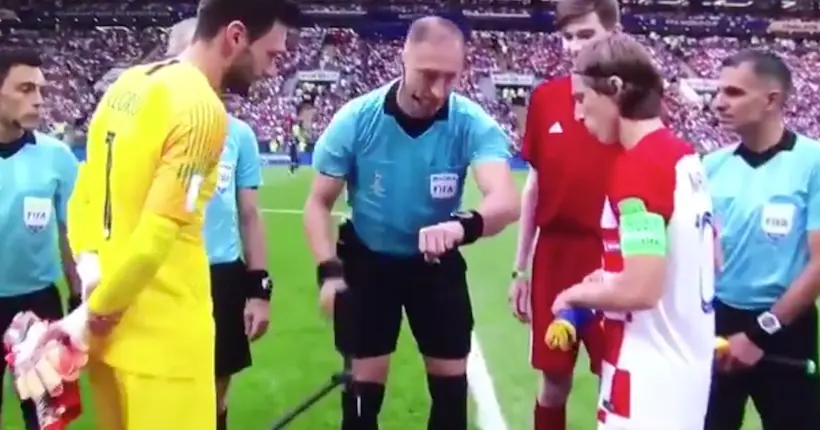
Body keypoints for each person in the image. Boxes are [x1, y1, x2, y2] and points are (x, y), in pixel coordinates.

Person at [61, 1, 301, 429]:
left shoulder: (129, 83)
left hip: (111, 341)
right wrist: (92, 313)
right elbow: (157, 236)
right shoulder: (202, 110)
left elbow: (85, 195)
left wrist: (89, 270)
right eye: (272, 55)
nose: (271, 71)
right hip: (165, 342)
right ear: (235, 36)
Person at [303, 16, 519, 430]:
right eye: (428, 75)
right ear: (403, 57)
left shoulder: (470, 122)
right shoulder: (356, 119)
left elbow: (506, 200)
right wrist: (330, 272)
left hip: (436, 266)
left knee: (451, 397)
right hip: (368, 263)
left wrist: (461, 226)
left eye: (450, 77)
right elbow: (318, 203)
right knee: (362, 400)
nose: (439, 91)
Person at [551, 33, 716, 430]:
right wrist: (610, 277)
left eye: (581, 98)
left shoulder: (640, 167)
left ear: (615, 89)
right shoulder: (683, 157)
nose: (577, 114)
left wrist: (572, 294)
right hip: (681, 373)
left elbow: (639, 290)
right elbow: (702, 258)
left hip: (648, 379)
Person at [508, 0, 620, 428]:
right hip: (555, 255)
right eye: (568, 36)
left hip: (610, 257)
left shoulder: (634, 99)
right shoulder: (546, 98)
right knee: (553, 380)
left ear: (613, 30)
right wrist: (520, 270)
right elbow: (534, 187)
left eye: (586, 35)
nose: (574, 46)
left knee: (614, 376)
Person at [704, 50, 820, 430]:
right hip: (718, 323)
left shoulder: (812, 162)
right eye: (718, 91)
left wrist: (759, 333)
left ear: (771, 100)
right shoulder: (710, 166)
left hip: (785, 327)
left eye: (734, 93)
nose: (719, 102)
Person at [166, 18, 272, 430]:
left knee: (216, 386)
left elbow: (249, 214)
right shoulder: (155, 124)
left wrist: (259, 289)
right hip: (166, 275)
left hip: (221, 276)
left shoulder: (239, 135)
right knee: (164, 386)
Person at [0, 49, 80, 430]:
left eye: (42, 90)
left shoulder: (57, 157)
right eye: (25, 88)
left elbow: (73, 236)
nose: (38, 99)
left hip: (37, 308)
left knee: (47, 418)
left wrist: (81, 301)